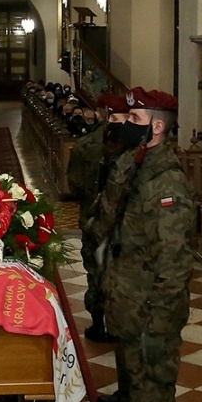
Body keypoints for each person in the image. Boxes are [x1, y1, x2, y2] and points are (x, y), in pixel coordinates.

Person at [97, 88, 196, 402]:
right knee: (135, 389)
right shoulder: (135, 166)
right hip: (127, 301)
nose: (125, 122)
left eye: (134, 116)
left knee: (154, 393)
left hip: (151, 310)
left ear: (156, 126)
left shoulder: (167, 183)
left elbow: (174, 263)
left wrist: (158, 321)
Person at [68, 92, 127, 343]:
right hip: (124, 220)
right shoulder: (133, 144)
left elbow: (74, 185)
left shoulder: (86, 143)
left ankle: (98, 322)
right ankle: (120, 321)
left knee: (95, 269)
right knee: (122, 270)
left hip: (93, 217)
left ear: (102, 113)